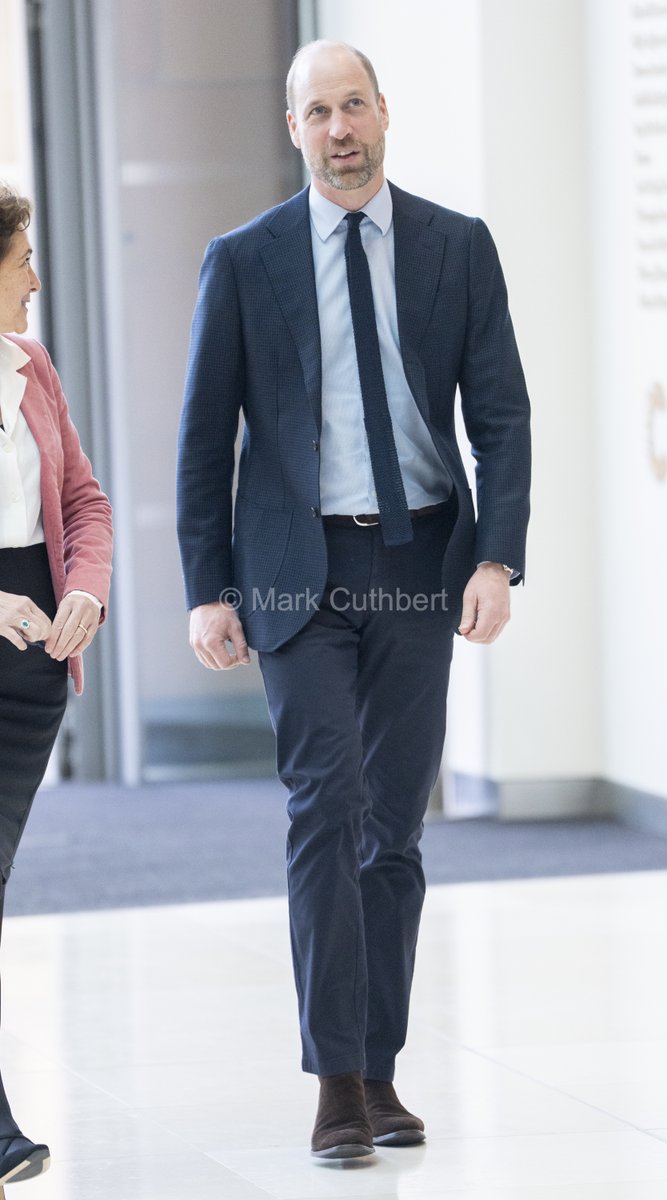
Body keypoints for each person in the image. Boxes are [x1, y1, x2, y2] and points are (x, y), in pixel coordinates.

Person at [177, 40, 530, 1160]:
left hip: (422, 563)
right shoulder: (243, 261)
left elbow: (503, 419)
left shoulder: (457, 249)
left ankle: (379, 1067)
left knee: (394, 829)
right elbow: (202, 442)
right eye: (317, 112)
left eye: (354, 106)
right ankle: (334, 1081)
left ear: (385, 112)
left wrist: (495, 559)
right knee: (322, 811)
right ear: (293, 128)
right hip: (296, 570)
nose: (339, 129)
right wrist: (205, 589)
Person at [0, 184, 113, 1187]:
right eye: (22, 255)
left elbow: (81, 497)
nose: (35, 275)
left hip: (34, 657)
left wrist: (86, 586)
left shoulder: (31, 367)